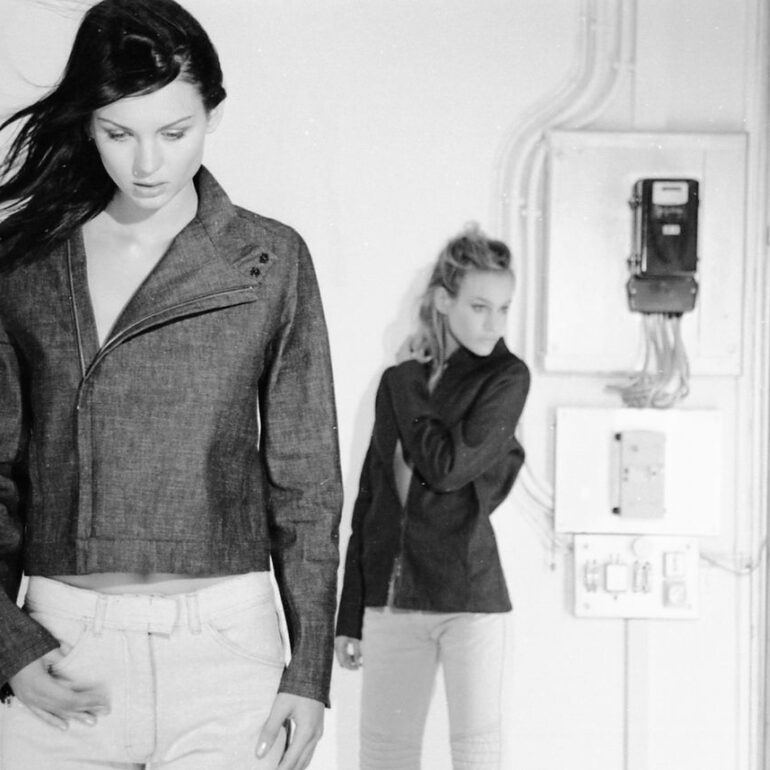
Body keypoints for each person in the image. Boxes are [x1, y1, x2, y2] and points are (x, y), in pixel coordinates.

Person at [0, 1, 342, 768]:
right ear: (88, 124)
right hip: (60, 649)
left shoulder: (269, 260)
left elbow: (308, 483)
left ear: (212, 114)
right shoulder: (22, 264)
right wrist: (7, 645)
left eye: (174, 131)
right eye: (118, 133)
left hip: (229, 650)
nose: (147, 163)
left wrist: (310, 669)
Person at [334, 225, 530, 770]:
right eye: (480, 307)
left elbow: (446, 469)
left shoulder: (506, 378)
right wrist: (351, 611)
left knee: (477, 756)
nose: (494, 324)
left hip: (469, 599)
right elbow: (371, 497)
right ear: (444, 301)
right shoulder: (402, 380)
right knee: (383, 757)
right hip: (393, 600)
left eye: (503, 309)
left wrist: (406, 383)